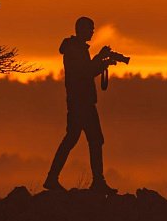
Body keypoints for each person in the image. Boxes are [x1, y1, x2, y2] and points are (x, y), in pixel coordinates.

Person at [44, 16, 119, 193]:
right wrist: (101, 59)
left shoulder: (77, 49)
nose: (92, 31)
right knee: (86, 140)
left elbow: (87, 71)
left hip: (82, 103)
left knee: (88, 140)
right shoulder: (74, 50)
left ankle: (55, 179)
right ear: (81, 29)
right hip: (80, 104)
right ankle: (93, 182)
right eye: (90, 28)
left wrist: (102, 63)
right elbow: (84, 72)